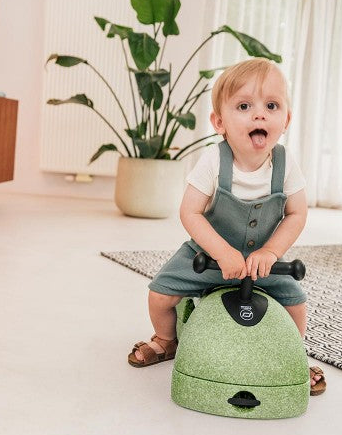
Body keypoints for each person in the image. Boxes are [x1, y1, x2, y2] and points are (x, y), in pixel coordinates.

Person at [127, 57, 326, 395]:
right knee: (160, 294)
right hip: (208, 255)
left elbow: (297, 213)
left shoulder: (286, 163)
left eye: (271, 106)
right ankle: (165, 339)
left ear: (286, 119)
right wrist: (220, 252)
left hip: (263, 261)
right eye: (244, 106)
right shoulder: (213, 161)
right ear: (219, 122)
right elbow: (190, 212)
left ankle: (294, 356)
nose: (259, 115)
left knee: (296, 302)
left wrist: (271, 251)